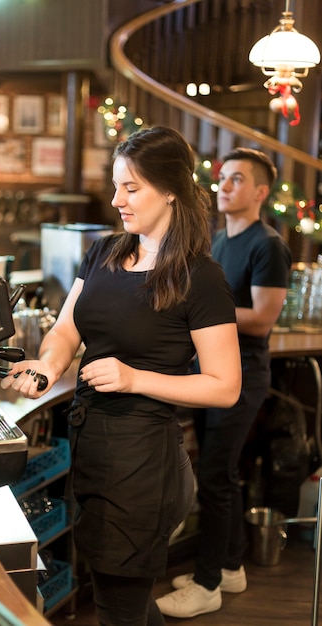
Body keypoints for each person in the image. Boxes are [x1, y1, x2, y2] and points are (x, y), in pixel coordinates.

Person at [1, 126, 242, 626]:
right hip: (92, 441)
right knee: (122, 599)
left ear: (170, 189)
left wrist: (136, 378)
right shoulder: (106, 251)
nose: (117, 201)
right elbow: (67, 330)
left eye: (131, 188)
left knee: (117, 604)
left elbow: (225, 385)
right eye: (116, 187)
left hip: (144, 461)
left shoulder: (200, 276)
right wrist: (48, 364)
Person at [156, 147, 292, 619]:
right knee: (221, 475)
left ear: (260, 192)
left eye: (236, 179)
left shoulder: (267, 244)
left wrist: (202, 314)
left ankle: (208, 582)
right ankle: (231, 566)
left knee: (216, 476)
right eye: (222, 178)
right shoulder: (217, 239)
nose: (224, 187)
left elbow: (261, 319)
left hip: (244, 374)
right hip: (209, 371)